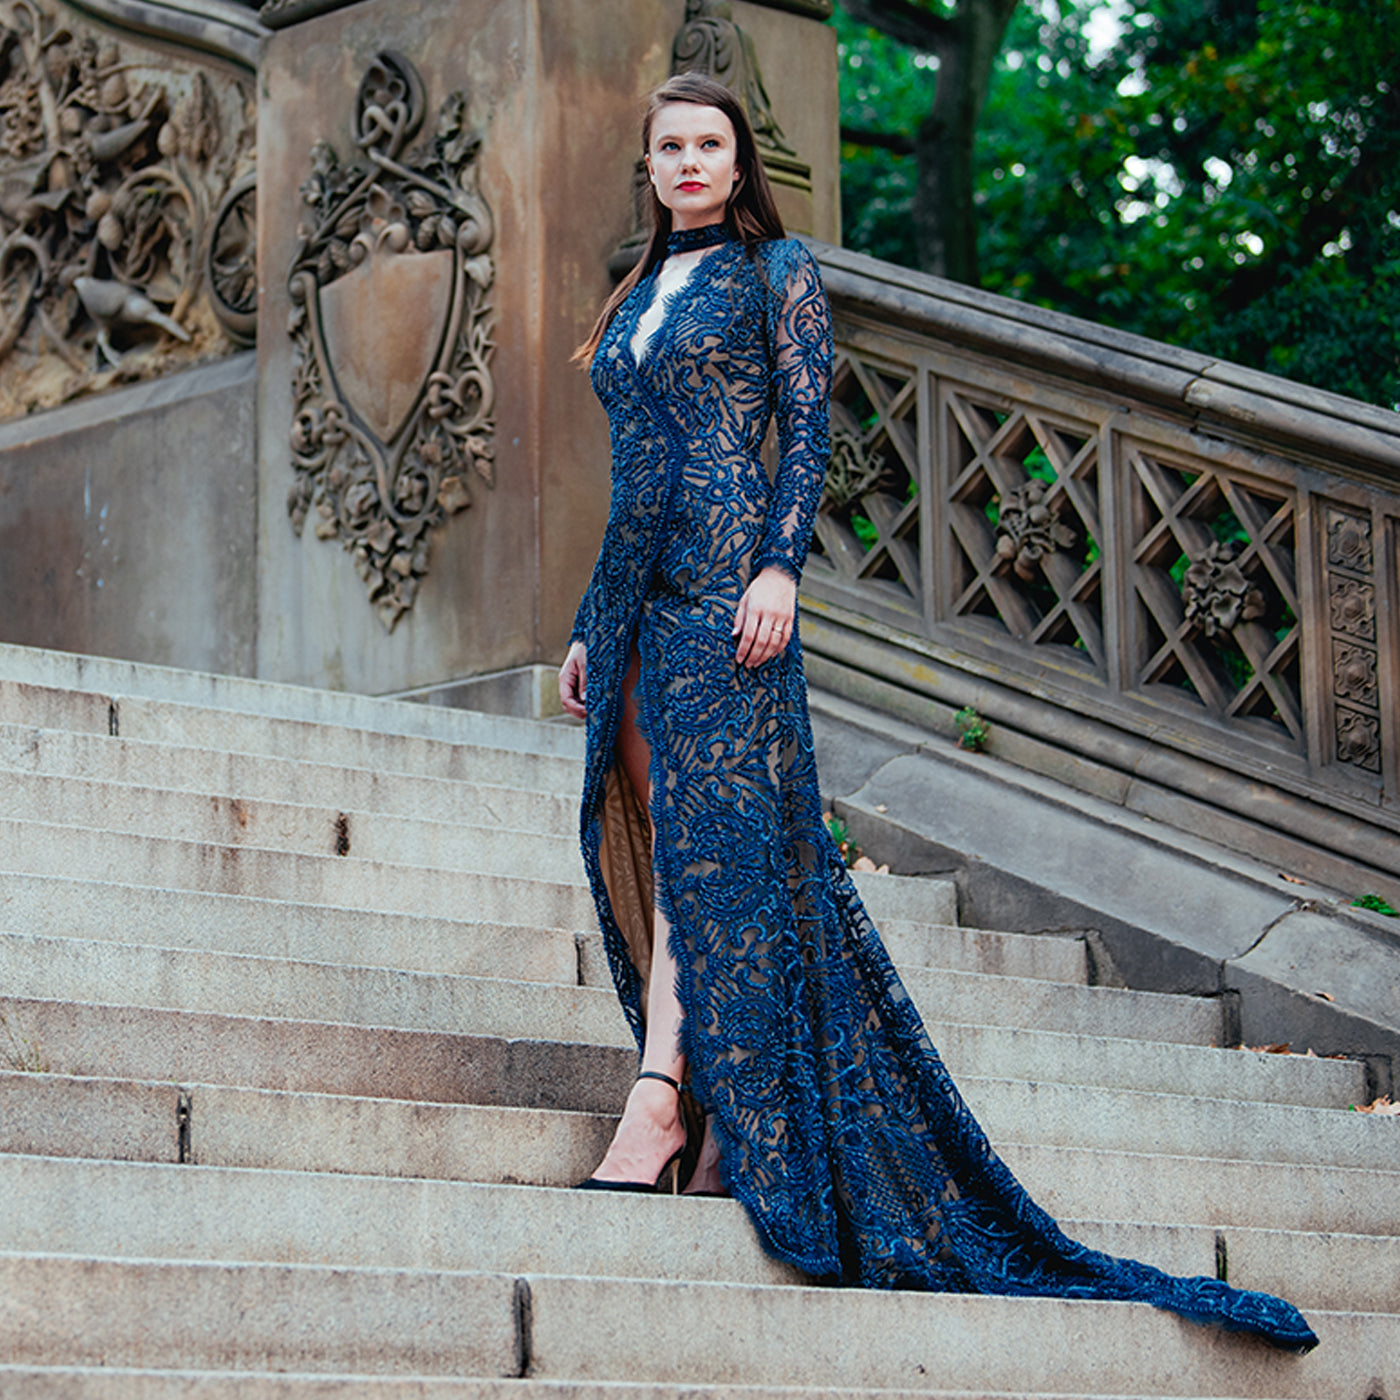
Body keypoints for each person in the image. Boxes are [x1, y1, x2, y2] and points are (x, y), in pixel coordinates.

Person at [559, 71, 1317, 1353]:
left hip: (728, 583)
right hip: (636, 595)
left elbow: (806, 433)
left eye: (709, 144)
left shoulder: (777, 272)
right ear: (649, 165)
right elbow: (632, 471)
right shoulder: (635, 293)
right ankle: (713, 1110)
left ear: (739, 166)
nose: (688, 161)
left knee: (708, 845)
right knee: (673, 842)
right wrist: (592, 616)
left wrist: (779, 568)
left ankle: (659, 1100)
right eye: (669, 145)